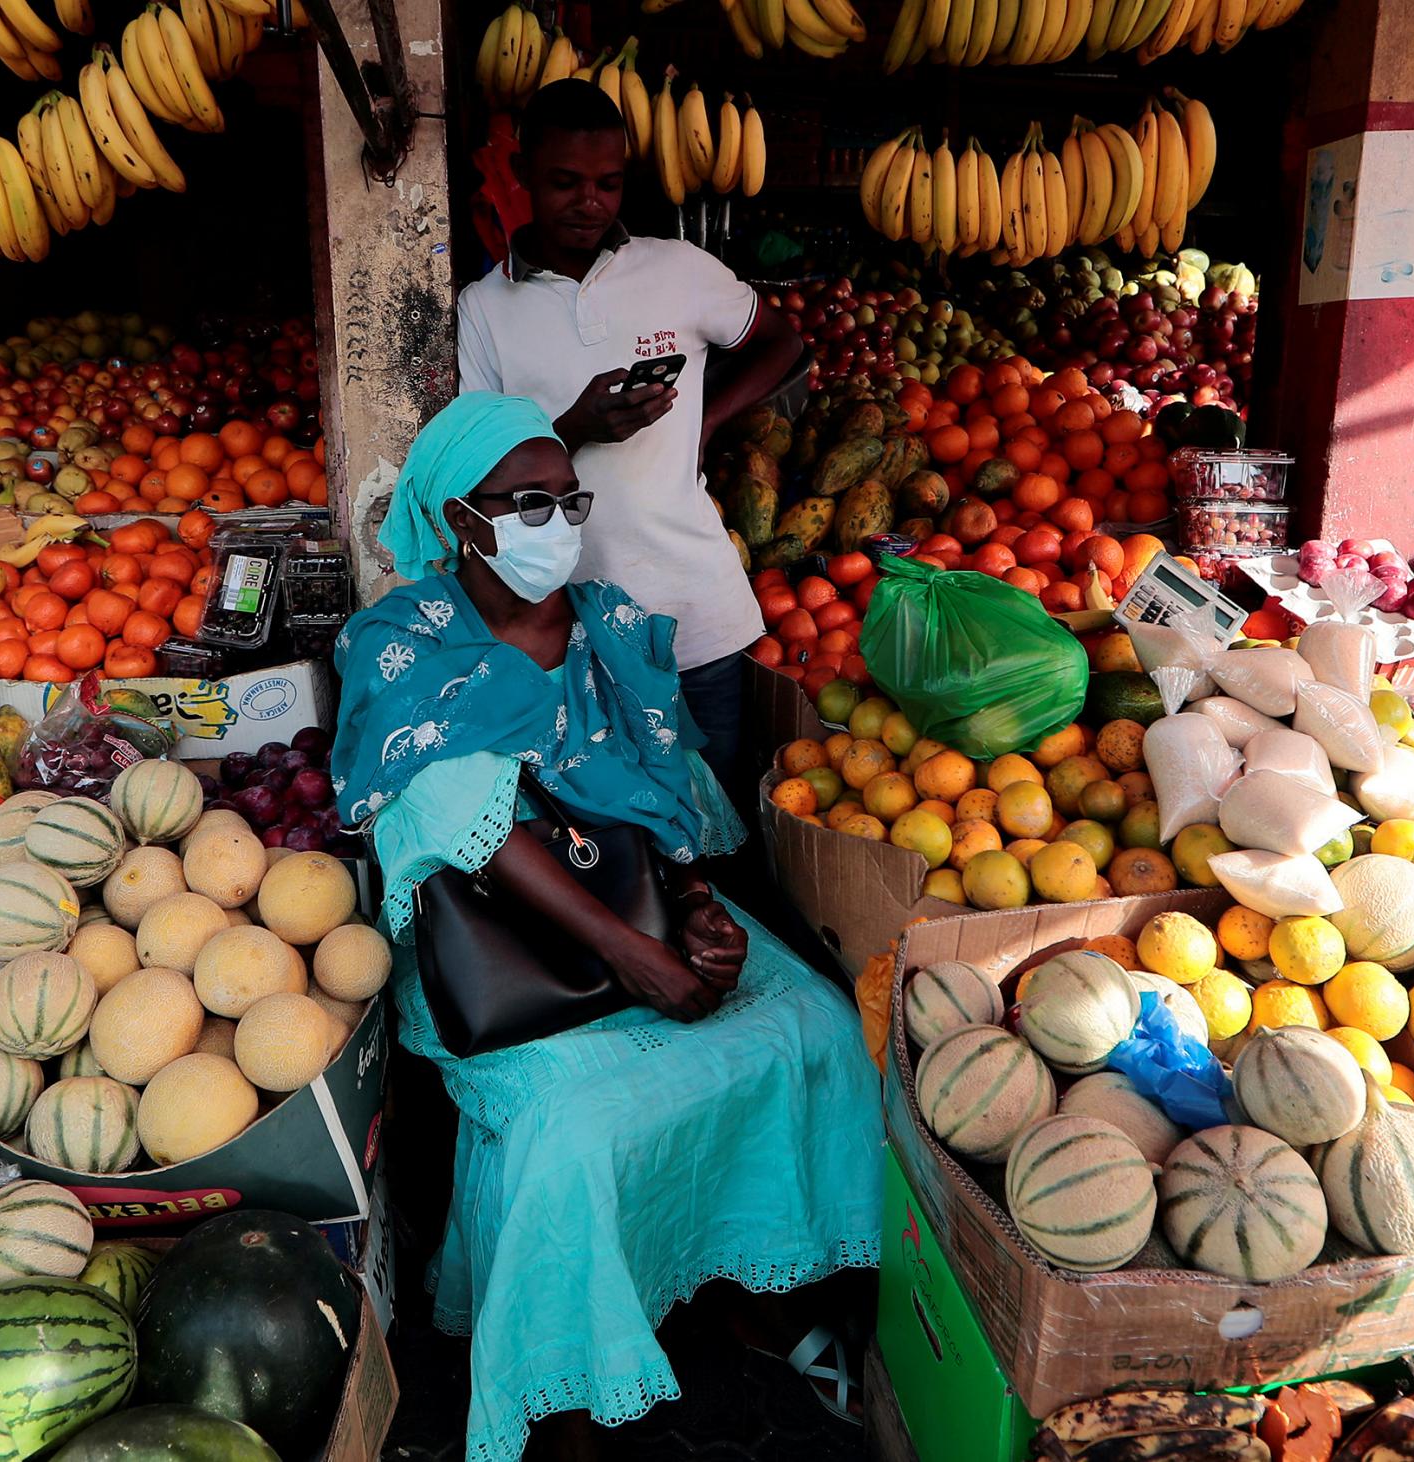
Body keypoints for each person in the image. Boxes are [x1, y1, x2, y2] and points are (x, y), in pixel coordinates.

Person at [334, 394, 882, 1462]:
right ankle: (563, 1386)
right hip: (493, 949)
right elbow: (443, 808)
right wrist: (636, 957)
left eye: (567, 498)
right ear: (460, 516)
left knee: (810, 1025)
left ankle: (744, 1286)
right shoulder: (399, 640)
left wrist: (694, 912)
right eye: (526, 501)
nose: (557, 520)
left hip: (636, 908)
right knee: (575, 1130)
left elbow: (667, 797)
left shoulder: (614, 629)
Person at [455, 78, 804, 802]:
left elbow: (782, 342)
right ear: (522, 176)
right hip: (567, 630)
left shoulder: (679, 270)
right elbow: (478, 472)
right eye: (564, 182)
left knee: (721, 829)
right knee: (616, 835)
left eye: (608, 184)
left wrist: (706, 418)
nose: (589, 202)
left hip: (699, 617)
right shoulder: (485, 308)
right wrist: (572, 429)